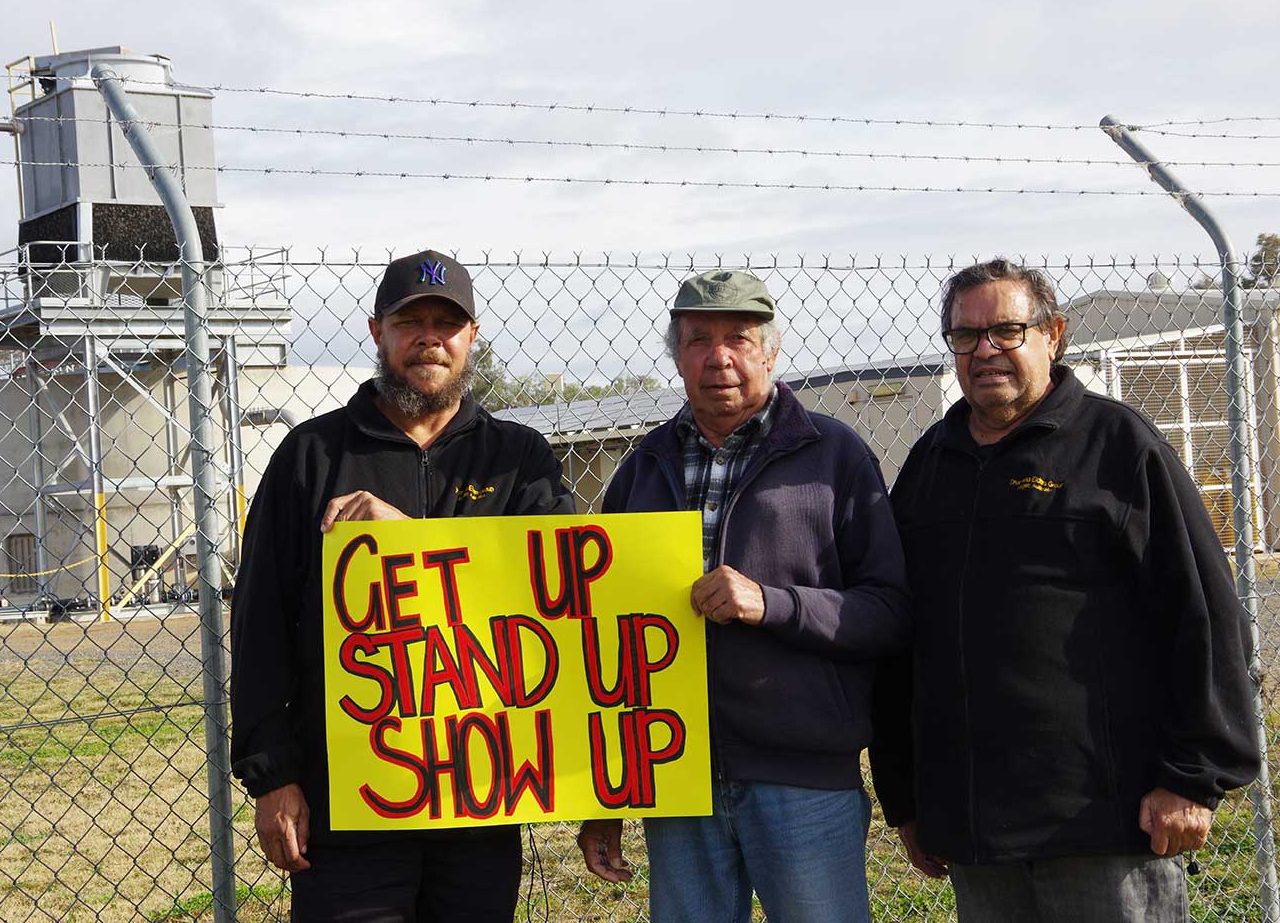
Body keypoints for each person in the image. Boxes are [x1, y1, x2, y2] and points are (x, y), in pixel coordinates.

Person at [870, 258, 1261, 922]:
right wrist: (907, 799)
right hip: (975, 829)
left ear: (1054, 334)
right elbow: (902, 639)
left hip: (1105, 824)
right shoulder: (931, 466)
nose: (985, 350)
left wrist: (1193, 778)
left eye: (1007, 330)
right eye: (966, 336)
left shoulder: (1118, 448)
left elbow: (1206, 617)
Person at [230, 250, 575, 923]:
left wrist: (410, 538)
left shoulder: (518, 457)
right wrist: (274, 778)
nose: (429, 338)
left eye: (446, 323)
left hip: (483, 788)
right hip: (352, 798)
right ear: (376, 332)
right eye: (409, 321)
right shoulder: (313, 455)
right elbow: (262, 625)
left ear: (471, 337)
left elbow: (556, 595)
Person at [575, 269, 910, 923]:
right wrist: (606, 794)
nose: (718, 356)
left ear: (771, 350)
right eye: (698, 339)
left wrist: (773, 603)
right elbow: (599, 638)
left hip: (803, 776)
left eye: (739, 338)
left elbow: (890, 612)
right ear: (677, 356)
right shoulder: (642, 468)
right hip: (676, 777)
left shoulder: (834, 457)